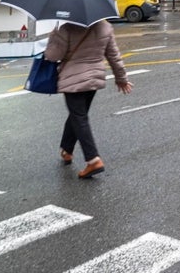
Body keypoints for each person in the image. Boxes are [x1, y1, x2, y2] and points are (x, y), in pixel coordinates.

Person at [45, 19, 133, 179]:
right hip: (94, 79)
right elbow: (114, 56)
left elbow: (52, 56)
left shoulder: (67, 28)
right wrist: (121, 79)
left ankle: (93, 159)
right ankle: (67, 149)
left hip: (73, 79)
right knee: (78, 114)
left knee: (79, 117)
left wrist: (54, 36)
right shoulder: (105, 26)